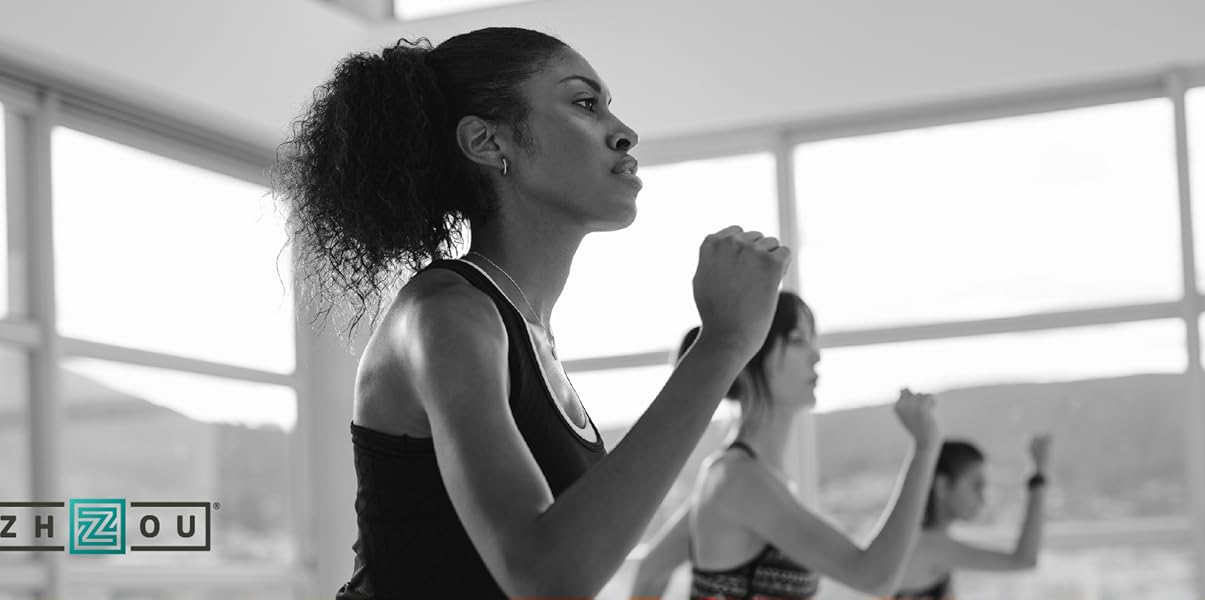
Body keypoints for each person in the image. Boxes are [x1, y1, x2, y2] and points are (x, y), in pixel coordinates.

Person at [273, 27, 791, 599]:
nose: (625, 133)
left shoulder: (521, 329)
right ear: (488, 142)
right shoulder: (444, 313)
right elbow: (545, 576)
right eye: (585, 104)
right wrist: (721, 347)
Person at [631, 292, 941, 599]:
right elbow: (875, 577)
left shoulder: (729, 474)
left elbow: (651, 570)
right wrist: (925, 449)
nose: (816, 355)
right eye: (796, 340)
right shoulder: (741, 481)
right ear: (751, 357)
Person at [892, 435, 1052, 600]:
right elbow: (1024, 560)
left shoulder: (919, 542)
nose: (983, 499)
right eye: (976, 486)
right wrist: (1038, 476)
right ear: (943, 485)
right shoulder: (927, 546)